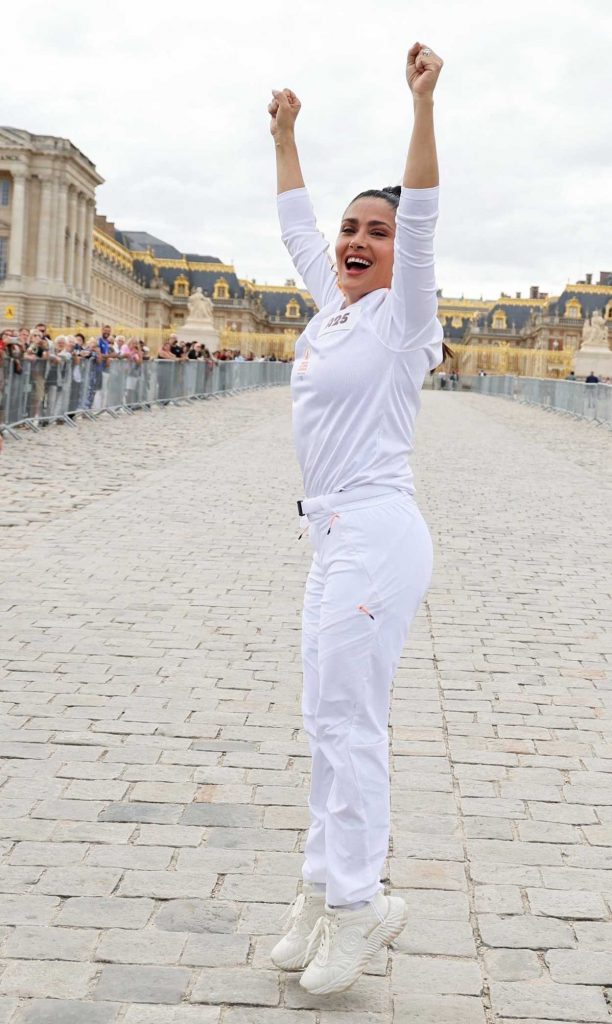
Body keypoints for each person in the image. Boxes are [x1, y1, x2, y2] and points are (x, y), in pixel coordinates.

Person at [268, 42, 446, 996]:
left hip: (377, 531)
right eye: (351, 228)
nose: (358, 240)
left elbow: (421, 224)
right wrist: (287, 135)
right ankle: (319, 885)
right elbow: (297, 223)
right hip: (330, 533)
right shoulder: (331, 308)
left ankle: (358, 902)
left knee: (352, 725)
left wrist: (420, 107)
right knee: (323, 717)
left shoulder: (401, 316)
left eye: (375, 230)